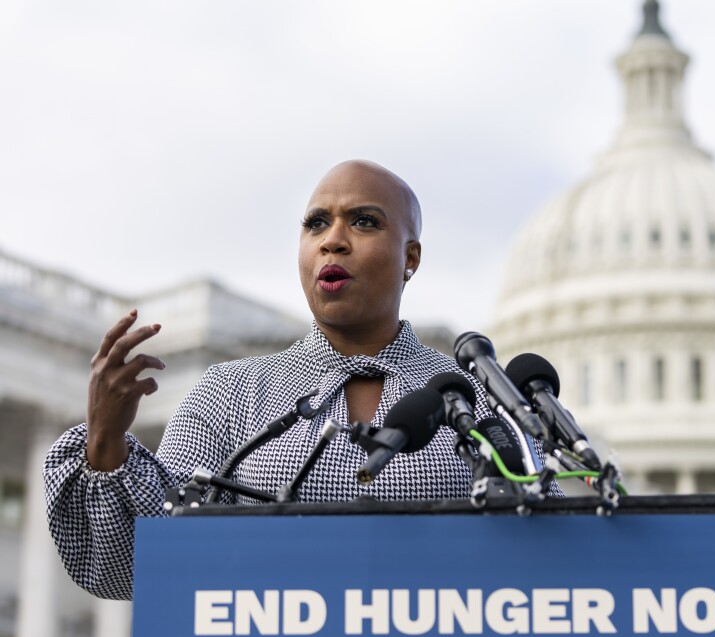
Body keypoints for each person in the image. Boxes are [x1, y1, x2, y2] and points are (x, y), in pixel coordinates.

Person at [43, 160, 498, 600]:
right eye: (316, 223)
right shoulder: (228, 393)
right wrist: (106, 443)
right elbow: (139, 566)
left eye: (363, 222)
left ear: (410, 257)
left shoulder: (474, 398)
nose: (333, 241)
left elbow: (549, 545)